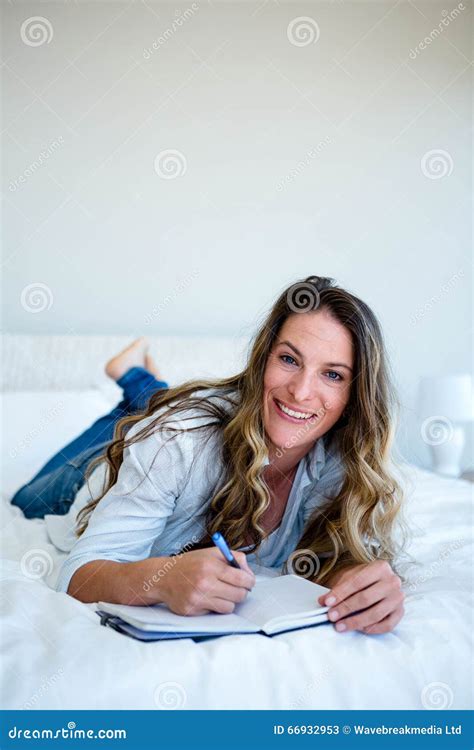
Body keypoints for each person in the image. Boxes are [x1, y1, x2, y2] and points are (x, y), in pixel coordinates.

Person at [12, 275, 406, 635]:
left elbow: (335, 553)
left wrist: (358, 581)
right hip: (93, 476)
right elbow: (77, 577)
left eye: (333, 374)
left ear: (354, 398)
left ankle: (143, 385)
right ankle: (133, 381)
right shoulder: (176, 439)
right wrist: (162, 580)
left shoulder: (341, 456)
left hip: (183, 425)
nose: (301, 392)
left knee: (164, 414)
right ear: (262, 361)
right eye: (289, 359)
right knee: (28, 497)